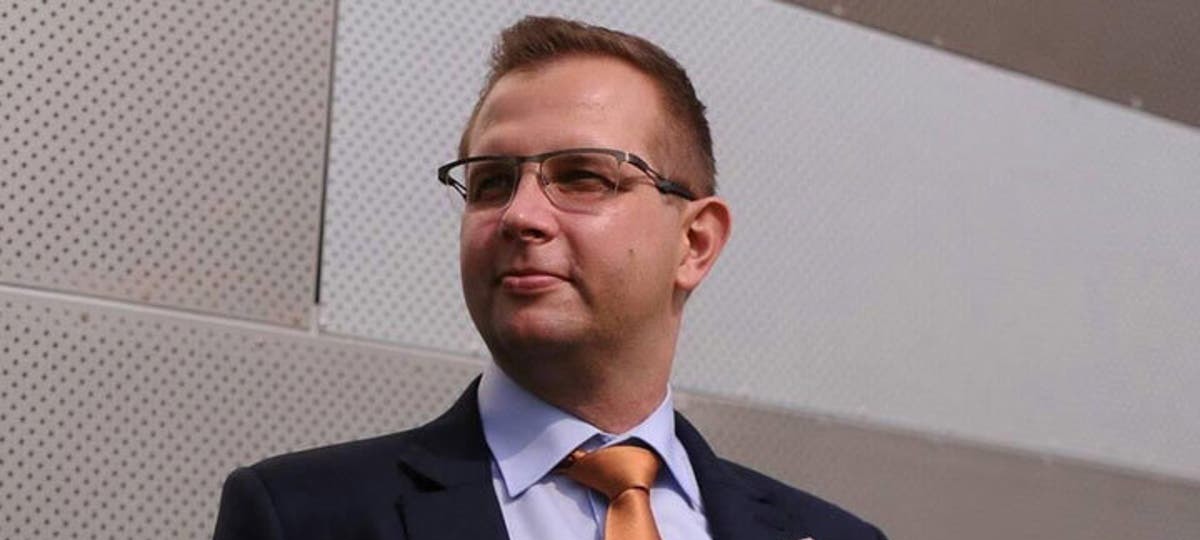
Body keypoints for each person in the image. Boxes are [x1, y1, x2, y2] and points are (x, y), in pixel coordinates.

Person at [214, 15, 886, 540]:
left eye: (583, 177)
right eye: (491, 182)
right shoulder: (304, 518)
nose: (520, 215)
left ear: (695, 243)